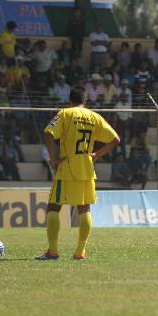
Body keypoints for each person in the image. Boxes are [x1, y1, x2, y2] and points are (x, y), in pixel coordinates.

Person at [36, 86, 120, 260]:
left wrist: (53, 158)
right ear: (85, 100)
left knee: (53, 207)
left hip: (66, 168)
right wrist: (97, 154)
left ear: (70, 100)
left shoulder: (65, 113)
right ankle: (80, 252)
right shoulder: (94, 116)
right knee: (84, 209)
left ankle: (53, 251)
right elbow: (115, 139)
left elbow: (49, 134)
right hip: (87, 169)